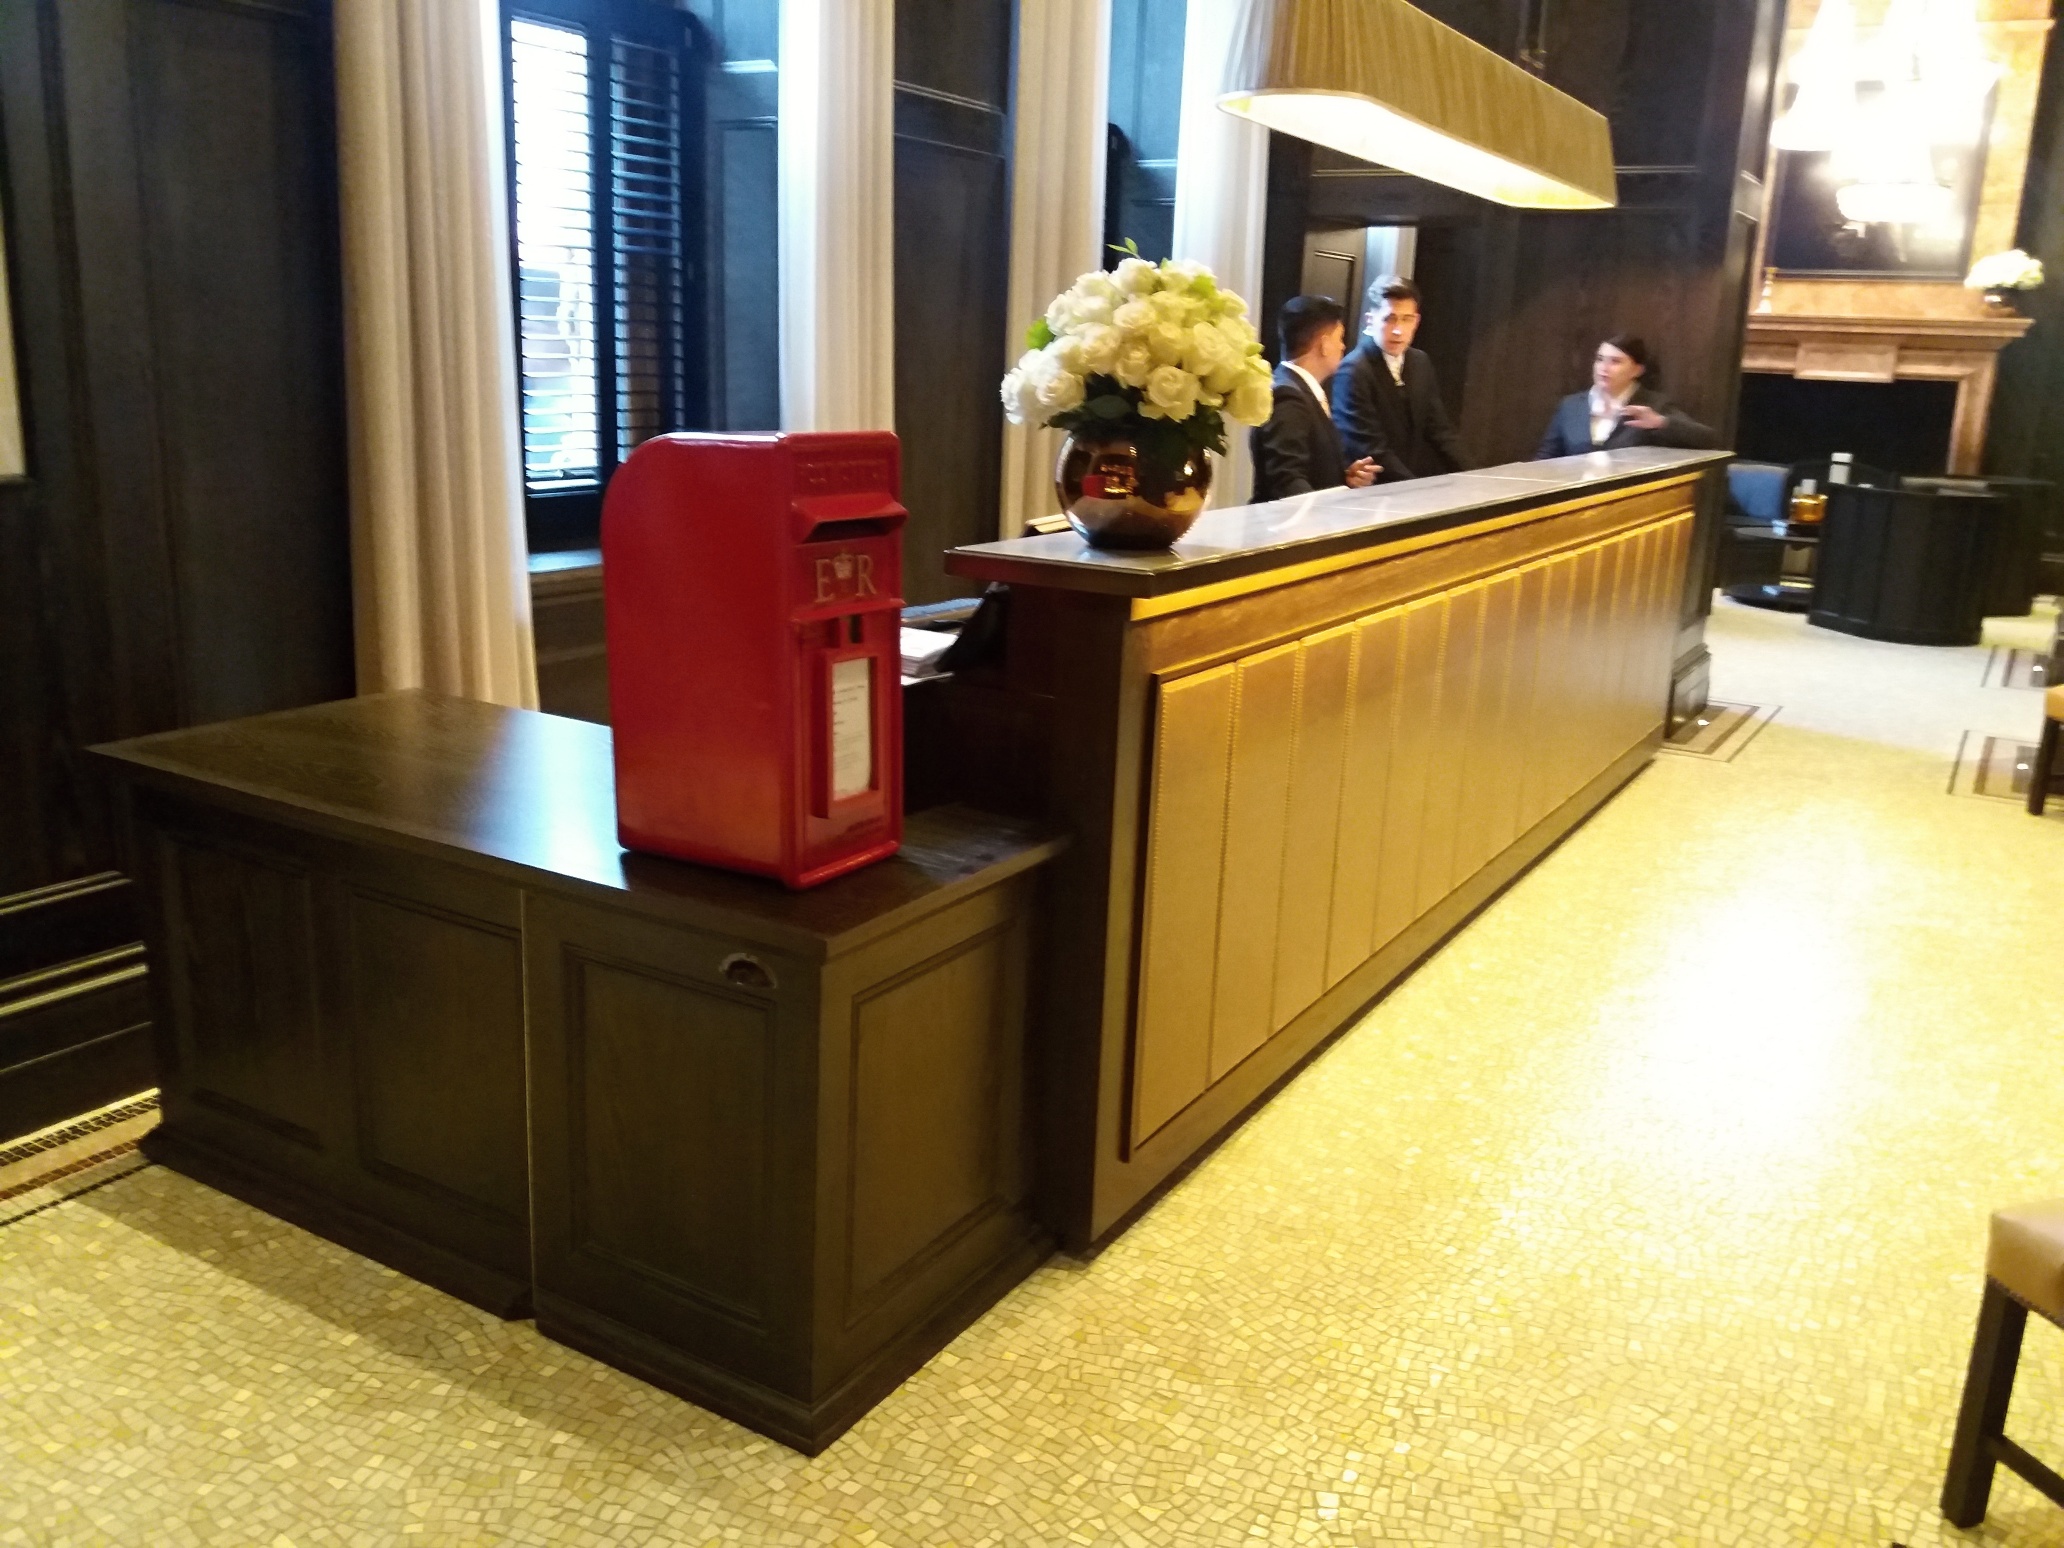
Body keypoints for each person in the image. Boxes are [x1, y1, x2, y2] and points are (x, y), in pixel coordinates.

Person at [1330, 275, 1466, 482]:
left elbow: (1440, 431)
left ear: (1416, 321)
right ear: (1370, 320)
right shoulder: (1353, 370)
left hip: (1411, 482)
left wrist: (1477, 476)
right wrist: (1413, 488)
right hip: (1374, 488)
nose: (1398, 330)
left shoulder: (1420, 362)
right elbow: (1371, 448)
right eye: (1389, 319)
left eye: (1406, 319)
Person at [1250, 295, 1378, 502]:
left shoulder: (1299, 389)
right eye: (1340, 338)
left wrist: (1343, 479)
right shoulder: (1287, 397)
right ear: (1324, 344)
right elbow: (1288, 482)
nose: (1343, 347)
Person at [1535, 334, 1720, 458]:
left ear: (1637, 370)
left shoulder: (1654, 404)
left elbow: (1708, 439)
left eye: (1615, 361)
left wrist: (1660, 423)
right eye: (1600, 359)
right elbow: (1546, 457)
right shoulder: (1571, 405)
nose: (1603, 368)